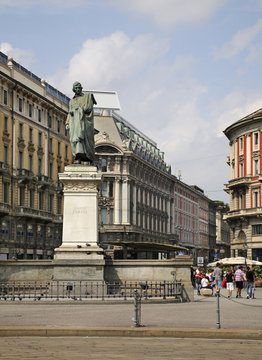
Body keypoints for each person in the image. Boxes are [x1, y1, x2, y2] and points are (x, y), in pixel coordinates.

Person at [66, 82, 97, 164]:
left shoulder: (87, 97)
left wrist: (78, 110)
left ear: (81, 88)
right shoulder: (72, 101)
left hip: (84, 122)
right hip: (74, 123)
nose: (77, 89)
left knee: (83, 139)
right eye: (75, 88)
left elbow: (88, 108)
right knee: (74, 140)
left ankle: (87, 157)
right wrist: (67, 123)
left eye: (78, 87)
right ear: (73, 90)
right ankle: (77, 156)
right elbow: (69, 112)